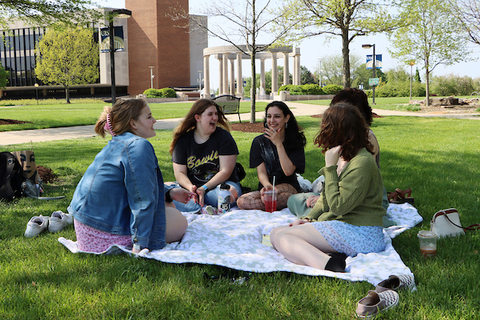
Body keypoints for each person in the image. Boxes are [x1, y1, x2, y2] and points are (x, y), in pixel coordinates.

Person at [270, 102, 387, 272]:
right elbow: (326, 196)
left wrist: (330, 169)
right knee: (275, 234)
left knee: (284, 237)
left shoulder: (362, 162)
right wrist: (310, 218)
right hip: (346, 227)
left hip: (362, 233)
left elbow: (339, 206)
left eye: (326, 127)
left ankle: (329, 264)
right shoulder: (345, 155)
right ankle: (330, 257)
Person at [68, 99, 188, 254]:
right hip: (104, 233)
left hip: (87, 228)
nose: (154, 120)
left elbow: (135, 183)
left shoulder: (120, 142)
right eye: (149, 117)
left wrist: (168, 192)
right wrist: (139, 243)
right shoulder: (138, 146)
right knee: (181, 221)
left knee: (168, 206)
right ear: (134, 124)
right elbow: (142, 198)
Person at [288, 88, 389, 218]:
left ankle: (327, 218)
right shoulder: (342, 143)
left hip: (360, 199)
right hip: (340, 194)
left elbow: (355, 186)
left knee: (325, 210)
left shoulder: (365, 141)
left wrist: (325, 197)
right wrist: (313, 212)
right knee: (293, 200)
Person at [169, 98, 241, 213]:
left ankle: (195, 206)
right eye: (210, 114)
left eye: (216, 114)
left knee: (228, 194)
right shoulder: (183, 140)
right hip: (192, 187)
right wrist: (191, 188)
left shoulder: (224, 137)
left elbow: (225, 171)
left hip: (219, 187)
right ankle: (201, 207)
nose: (215, 118)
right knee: (164, 190)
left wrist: (203, 189)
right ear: (198, 118)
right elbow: (180, 173)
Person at [237, 101, 306, 211]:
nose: (272, 120)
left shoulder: (295, 140)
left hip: (289, 187)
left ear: (286, 118)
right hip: (266, 188)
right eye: (269, 116)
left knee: (287, 196)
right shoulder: (259, 142)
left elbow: (288, 171)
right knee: (242, 201)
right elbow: (262, 173)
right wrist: (268, 187)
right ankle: (273, 202)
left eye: (277, 116)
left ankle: (271, 203)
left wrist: (278, 144)